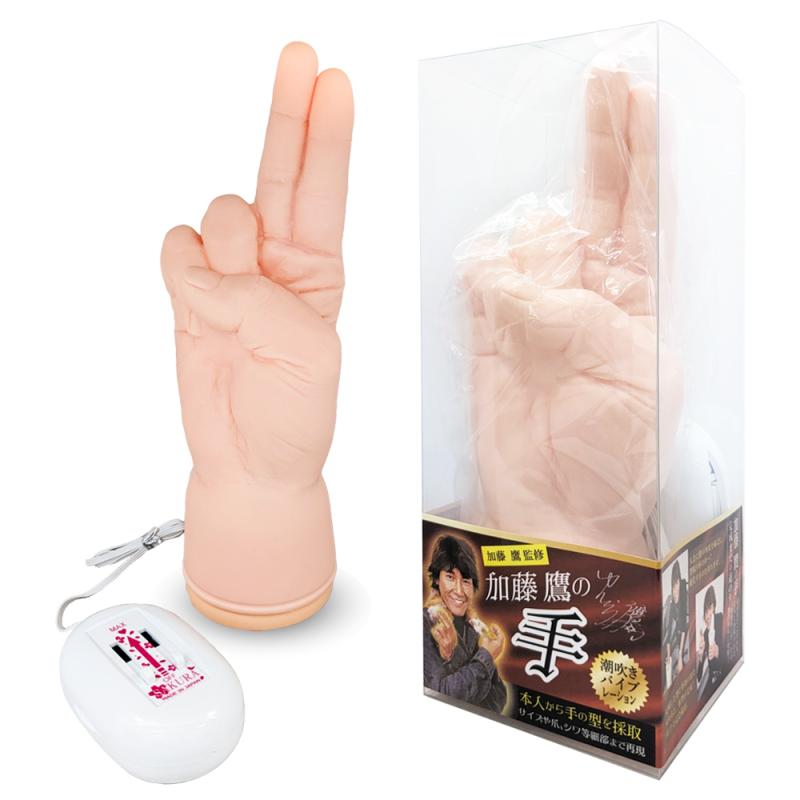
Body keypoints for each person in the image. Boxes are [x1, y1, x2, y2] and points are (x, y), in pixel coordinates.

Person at [423, 534, 509, 713]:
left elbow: (498, 699)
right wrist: (486, 655)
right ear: (437, 579)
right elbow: (440, 694)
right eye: (450, 577)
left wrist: (484, 657)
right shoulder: (424, 623)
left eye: (466, 581)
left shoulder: (474, 628)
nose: (459, 591)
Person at [663, 560, 688, 686]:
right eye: (674, 584)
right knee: (669, 663)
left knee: (680, 663)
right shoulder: (671, 601)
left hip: (683, 637)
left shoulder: (683, 595)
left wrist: (680, 658)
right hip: (676, 638)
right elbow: (668, 635)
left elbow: (683, 628)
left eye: (677, 582)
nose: (675, 590)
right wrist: (669, 656)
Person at [696, 584, 724, 697]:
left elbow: (731, 655)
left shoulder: (721, 619)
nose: (707, 616)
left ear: (714, 607)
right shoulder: (705, 634)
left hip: (723, 677)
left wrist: (718, 652)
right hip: (711, 681)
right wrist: (700, 655)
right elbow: (698, 676)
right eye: (706, 611)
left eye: (710, 609)